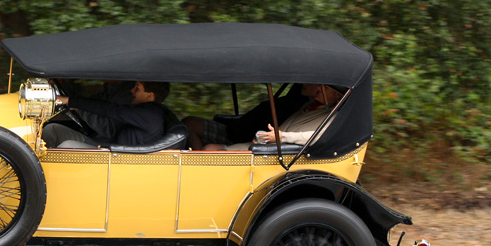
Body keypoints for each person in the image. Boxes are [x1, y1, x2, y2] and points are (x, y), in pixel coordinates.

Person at [202, 83, 345, 151]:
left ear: (338, 96)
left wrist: (281, 137)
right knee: (209, 148)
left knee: (210, 151)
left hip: (274, 156)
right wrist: (264, 137)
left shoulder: (334, 116)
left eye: (325, 88)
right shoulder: (309, 106)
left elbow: (318, 137)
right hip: (267, 148)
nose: (319, 89)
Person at [43, 81, 171, 149]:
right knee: (52, 129)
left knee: (66, 147)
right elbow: (103, 105)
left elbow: (110, 110)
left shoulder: (148, 114)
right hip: (105, 144)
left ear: (150, 96)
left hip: (116, 158)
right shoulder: (144, 110)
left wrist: (70, 101)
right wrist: (77, 103)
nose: (132, 91)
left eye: (137, 88)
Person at [183, 84, 304, 150]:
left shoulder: (291, 109)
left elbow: (266, 131)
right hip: (234, 130)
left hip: (244, 138)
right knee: (190, 123)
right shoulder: (282, 103)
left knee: (209, 149)